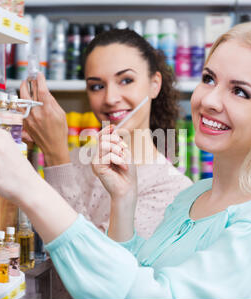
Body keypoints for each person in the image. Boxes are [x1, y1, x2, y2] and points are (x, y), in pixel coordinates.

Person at [0, 22, 251, 299]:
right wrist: (124, 202)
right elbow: (131, 274)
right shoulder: (194, 197)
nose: (210, 100)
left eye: (240, 91)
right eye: (208, 78)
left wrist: (31, 186)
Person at [19, 29, 192, 239]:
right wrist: (25, 151)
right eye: (97, 86)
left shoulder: (172, 189)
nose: (110, 98)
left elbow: (91, 266)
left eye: (126, 80)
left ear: (154, 85)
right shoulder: (73, 160)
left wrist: (55, 155)